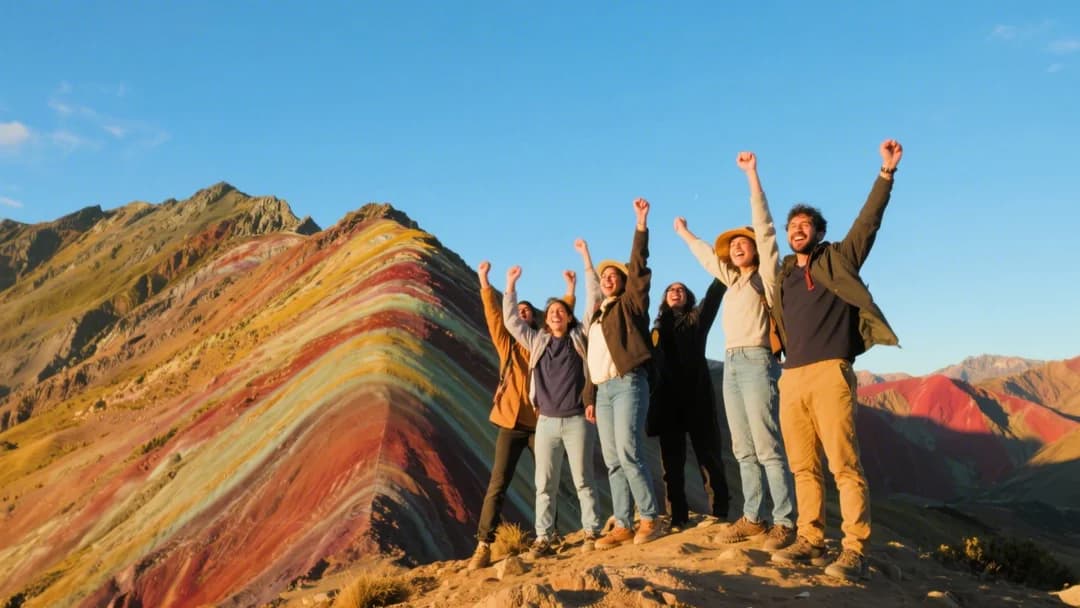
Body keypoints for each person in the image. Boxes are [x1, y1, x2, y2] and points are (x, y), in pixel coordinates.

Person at [767, 139, 904, 581]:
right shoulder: (784, 276)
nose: (797, 230)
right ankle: (810, 539)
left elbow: (868, 222)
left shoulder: (838, 259)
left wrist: (885, 174)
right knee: (802, 466)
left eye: (805, 224)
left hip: (830, 372)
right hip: (792, 377)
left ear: (820, 232)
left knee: (843, 465)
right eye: (793, 225)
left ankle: (854, 549)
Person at [675, 151, 797, 552]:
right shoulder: (733, 281)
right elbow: (709, 258)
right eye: (735, 245)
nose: (740, 247)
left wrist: (752, 176)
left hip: (759, 361)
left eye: (745, 243)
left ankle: (785, 522)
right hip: (732, 364)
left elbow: (766, 229)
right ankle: (754, 518)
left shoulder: (767, 277)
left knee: (767, 446)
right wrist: (686, 234)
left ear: (756, 250)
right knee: (743, 448)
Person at [467, 262, 575, 571]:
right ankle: (484, 545)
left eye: (528, 311)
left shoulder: (543, 344)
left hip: (542, 422)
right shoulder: (508, 345)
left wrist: (570, 291)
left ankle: (549, 537)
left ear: (536, 319)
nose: (523, 312)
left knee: (547, 481)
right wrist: (485, 281)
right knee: (498, 483)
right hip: (511, 423)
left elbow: (563, 318)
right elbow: (494, 315)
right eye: (519, 310)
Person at [575, 197, 663, 548]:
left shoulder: (630, 306)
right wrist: (590, 397)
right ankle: (623, 524)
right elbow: (592, 361)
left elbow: (639, 270)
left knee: (629, 451)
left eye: (614, 275)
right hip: (604, 390)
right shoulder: (597, 318)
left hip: (628, 383)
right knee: (612, 460)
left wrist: (640, 225)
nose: (608, 279)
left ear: (623, 282)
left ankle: (650, 517)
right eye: (605, 276)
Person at [502, 265, 602, 557]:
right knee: (544, 485)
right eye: (551, 312)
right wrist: (510, 284)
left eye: (561, 311)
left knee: (584, 480)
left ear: (569, 317)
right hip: (545, 422)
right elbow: (511, 321)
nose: (556, 314)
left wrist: (586, 262)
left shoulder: (580, 337)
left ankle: (591, 532)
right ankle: (543, 537)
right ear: (545, 320)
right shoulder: (537, 341)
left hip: (577, 420)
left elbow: (594, 301)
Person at [647, 278, 730, 530]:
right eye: (671, 289)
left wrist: (722, 269)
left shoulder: (696, 320)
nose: (676, 292)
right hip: (667, 403)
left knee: (709, 458)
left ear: (688, 297)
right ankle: (678, 517)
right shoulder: (656, 327)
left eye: (681, 289)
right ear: (664, 298)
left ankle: (719, 514)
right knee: (671, 464)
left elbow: (713, 296)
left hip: (698, 399)